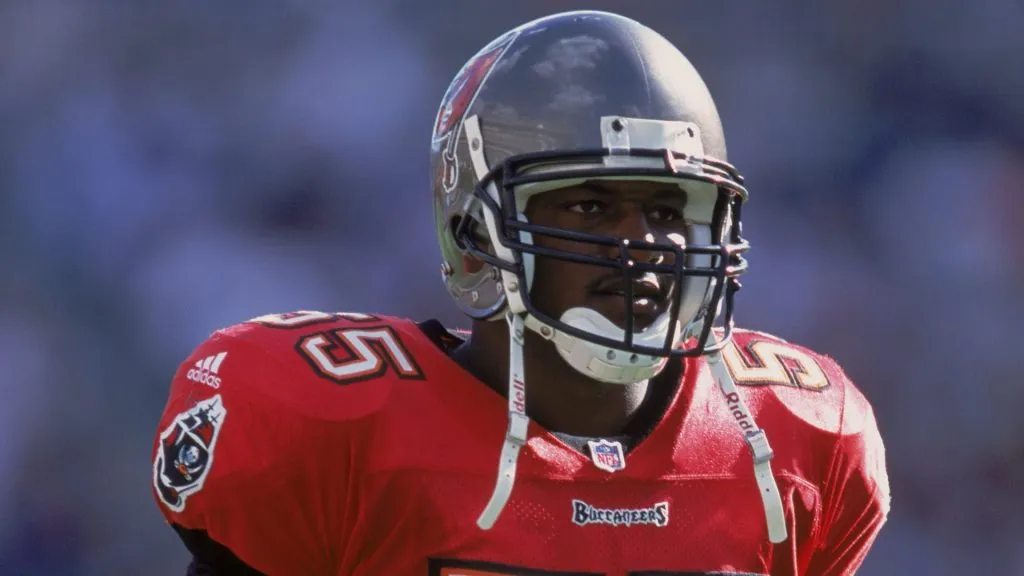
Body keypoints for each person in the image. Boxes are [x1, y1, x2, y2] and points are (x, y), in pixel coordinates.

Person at [151, 10, 890, 575]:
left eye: (667, 210)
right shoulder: (329, 426)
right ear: (474, 230)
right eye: (591, 206)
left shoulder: (795, 440)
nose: (644, 246)